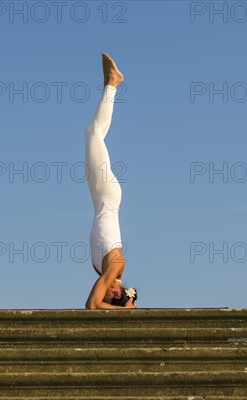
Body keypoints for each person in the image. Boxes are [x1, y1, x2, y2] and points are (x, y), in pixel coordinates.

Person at [84, 53, 138, 310]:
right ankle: (112, 83)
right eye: (111, 294)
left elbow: (96, 304)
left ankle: (112, 84)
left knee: (94, 135)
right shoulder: (115, 266)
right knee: (93, 134)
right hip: (108, 196)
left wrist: (122, 308)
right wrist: (126, 310)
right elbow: (92, 306)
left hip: (99, 199)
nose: (108, 291)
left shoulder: (100, 268)